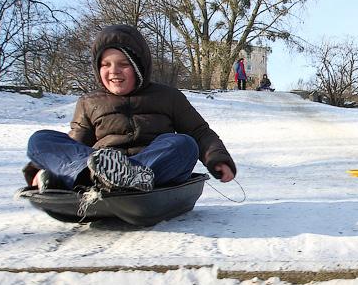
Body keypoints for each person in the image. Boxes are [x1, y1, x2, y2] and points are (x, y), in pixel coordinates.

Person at [23, 24, 236, 193]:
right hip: (100, 164)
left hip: (153, 168)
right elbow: (76, 145)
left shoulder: (168, 97)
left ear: (139, 67)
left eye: (123, 64)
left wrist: (217, 158)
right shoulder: (89, 102)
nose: (114, 71)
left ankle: (130, 175)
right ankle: (100, 176)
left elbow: (199, 132)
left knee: (184, 144)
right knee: (39, 140)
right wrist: (44, 166)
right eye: (105, 65)